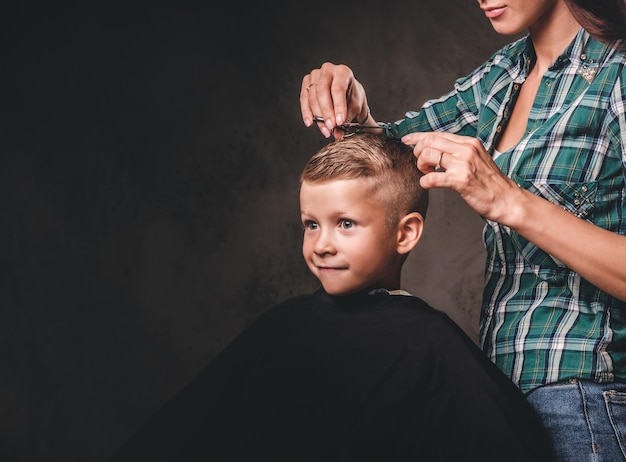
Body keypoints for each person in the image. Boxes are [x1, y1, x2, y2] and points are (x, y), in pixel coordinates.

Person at [299, 1, 626, 461]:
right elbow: (385, 162)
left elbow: (504, 199)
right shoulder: (501, 76)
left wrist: (510, 201)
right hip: (499, 404)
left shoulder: (619, 75)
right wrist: (352, 110)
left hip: (585, 407)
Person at [108, 134, 552, 461]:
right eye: (311, 224)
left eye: (345, 224)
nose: (321, 244)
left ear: (406, 233)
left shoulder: (430, 344)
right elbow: (183, 433)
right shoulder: (284, 327)